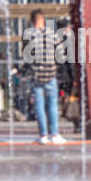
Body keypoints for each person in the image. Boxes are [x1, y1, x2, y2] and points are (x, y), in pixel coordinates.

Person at [22, 9, 65, 144]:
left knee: (39, 106)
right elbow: (61, 55)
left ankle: (43, 135)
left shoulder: (28, 36)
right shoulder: (52, 35)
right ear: (42, 20)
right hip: (51, 73)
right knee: (52, 105)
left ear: (32, 20)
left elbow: (26, 57)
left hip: (36, 76)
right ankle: (55, 134)